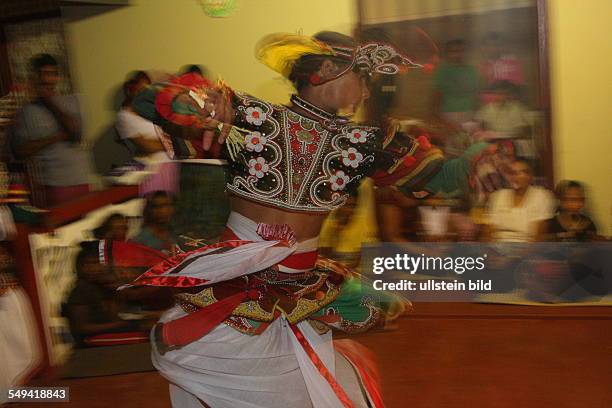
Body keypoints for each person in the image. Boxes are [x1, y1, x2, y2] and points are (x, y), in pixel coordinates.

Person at [108, 31, 490, 407]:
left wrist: (478, 152)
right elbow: (145, 103)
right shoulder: (251, 117)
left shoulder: (367, 143)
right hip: (239, 279)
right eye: (363, 79)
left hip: (300, 287)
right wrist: (192, 102)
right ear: (326, 69)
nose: (367, 93)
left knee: (312, 384)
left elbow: (441, 177)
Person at [11, 54, 91, 206]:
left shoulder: (75, 100)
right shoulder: (26, 111)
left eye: (51, 74)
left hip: (81, 179)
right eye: (41, 75)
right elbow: (19, 151)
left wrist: (49, 102)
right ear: (33, 78)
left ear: (58, 77)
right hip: (51, 185)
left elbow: (76, 134)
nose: (46, 80)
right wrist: (57, 137)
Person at [115, 71, 179, 195]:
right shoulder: (124, 116)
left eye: (147, 89)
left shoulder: (153, 111)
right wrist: (172, 143)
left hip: (172, 167)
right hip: (151, 171)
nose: (143, 93)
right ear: (130, 89)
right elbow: (147, 146)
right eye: (140, 89)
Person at [484, 159, 554, 242]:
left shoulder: (542, 196)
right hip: (498, 249)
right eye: (512, 173)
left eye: (521, 173)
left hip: (527, 250)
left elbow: (538, 237)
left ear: (530, 177)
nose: (515, 177)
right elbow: (488, 232)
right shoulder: (498, 196)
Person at [431, 39, 480, 131]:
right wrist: (440, 119)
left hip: (469, 114)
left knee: (470, 142)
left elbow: (476, 96)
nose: (458, 54)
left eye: (462, 51)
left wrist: (476, 117)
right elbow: (437, 96)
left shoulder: (471, 71)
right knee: (451, 143)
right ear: (447, 54)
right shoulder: (443, 71)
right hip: (448, 115)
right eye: (454, 51)